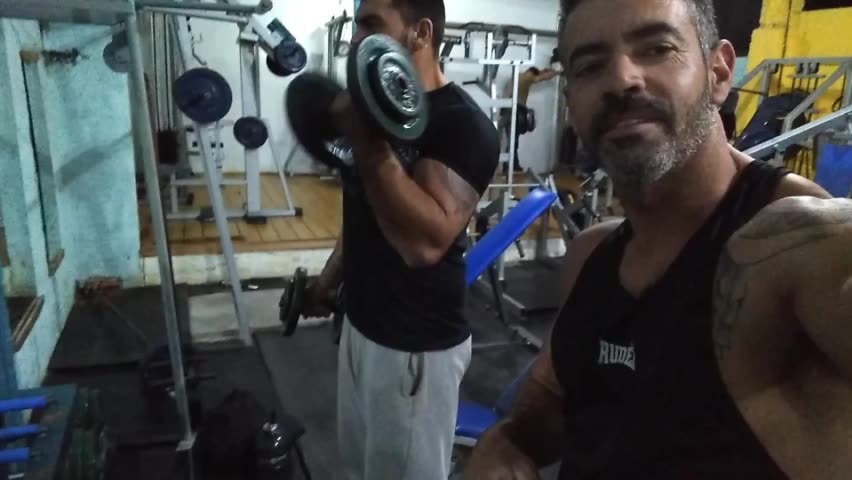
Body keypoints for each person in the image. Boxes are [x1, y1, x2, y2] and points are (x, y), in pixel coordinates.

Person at [464, 0, 852, 479]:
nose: (621, 78)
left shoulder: (799, 238)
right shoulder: (592, 255)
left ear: (719, 72)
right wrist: (507, 441)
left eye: (656, 48)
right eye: (590, 66)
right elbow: (552, 400)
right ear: (571, 103)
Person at [302, 0, 500, 478]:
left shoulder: (463, 125)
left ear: (420, 33)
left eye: (371, 24)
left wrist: (366, 139)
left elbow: (423, 245)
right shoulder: (374, 113)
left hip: (415, 349)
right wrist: (328, 282)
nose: (356, 39)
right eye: (356, 26)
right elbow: (364, 214)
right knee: (358, 469)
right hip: (360, 329)